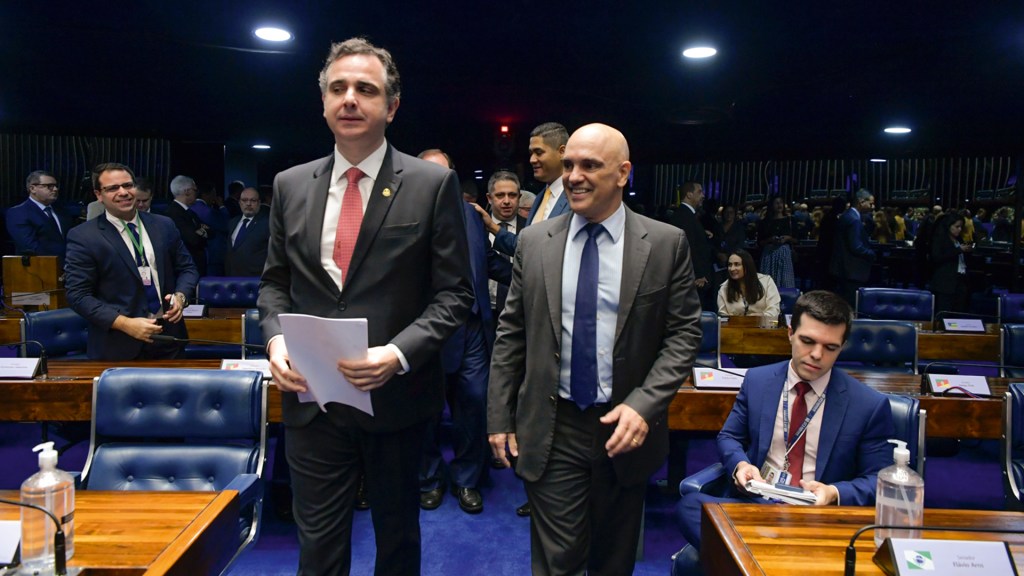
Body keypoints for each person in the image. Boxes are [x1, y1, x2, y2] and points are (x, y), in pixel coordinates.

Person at [257, 38, 474, 576]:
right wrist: (275, 340)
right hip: (311, 398)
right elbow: (274, 284)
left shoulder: (431, 184)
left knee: (397, 539)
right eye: (338, 88)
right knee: (319, 546)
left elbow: (455, 295)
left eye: (366, 90)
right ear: (324, 103)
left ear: (391, 107)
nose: (350, 99)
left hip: (395, 396)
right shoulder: (288, 185)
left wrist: (398, 354)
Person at [488, 123, 702, 575]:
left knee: (613, 560)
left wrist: (644, 406)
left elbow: (683, 335)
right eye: (568, 165)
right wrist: (499, 416)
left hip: (625, 430)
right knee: (558, 560)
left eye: (590, 165)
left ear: (623, 173)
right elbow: (512, 334)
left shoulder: (664, 244)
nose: (573, 176)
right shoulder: (534, 242)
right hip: (553, 425)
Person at [678, 290, 894, 556]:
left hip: (818, 515)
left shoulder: (868, 405)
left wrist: (833, 492)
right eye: (807, 341)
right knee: (690, 506)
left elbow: (879, 481)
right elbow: (729, 437)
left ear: (843, 346)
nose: (816, 354)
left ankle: (752, 558)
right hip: (758, 503)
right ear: (790, 332)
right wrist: (741, 465)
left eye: (830, 347)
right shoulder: (758, 381)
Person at [417, 149, 510, 515]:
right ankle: (429, 478)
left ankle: (467, 480)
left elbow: (485, 262)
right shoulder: (403, 214)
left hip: (471, 326)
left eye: (444, 174)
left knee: (474, 405)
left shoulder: (472, 215)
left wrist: (529, 274)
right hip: (425, 331)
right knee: (424, 411)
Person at [64, 162, 198, 360]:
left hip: (169, 339)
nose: (123, 192)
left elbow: (187, 268)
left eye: (128, 185)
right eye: (112, 188)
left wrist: (181, 296)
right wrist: (124, 323)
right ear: (98, 195)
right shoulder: (84, 236)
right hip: (117, 344)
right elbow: (78, 295)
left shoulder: (164, 225)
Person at [489, 122, 570, 257]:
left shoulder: (577, 198)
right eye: (531, 153)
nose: (532, 160)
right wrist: (491, 226)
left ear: (562, 152)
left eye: (539, 152)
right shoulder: (540, 198)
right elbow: (527, 248)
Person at [670, 181, 716, 312]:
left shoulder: (687, 215)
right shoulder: (685, 216)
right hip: (693, 280)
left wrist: (703, 234)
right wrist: (699, 274)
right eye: (699, 191)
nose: (703, 195)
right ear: (689, 195)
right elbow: (688, 247)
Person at [6, 170, 70, 263]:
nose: (55, 189)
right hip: (40, 268)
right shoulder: (18, 213)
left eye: (56, 186)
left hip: (71, 267)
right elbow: (30, 246)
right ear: (33, 189)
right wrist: (62, 262)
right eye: (49, 186)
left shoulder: (62, 211)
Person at [830, 189, 876, 307]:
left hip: (844, 268)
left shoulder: (848, 215)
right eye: (870, 203)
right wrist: (871, 254)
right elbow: (856, 246)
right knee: (850, 305)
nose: (873, 207)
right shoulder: (854, 219)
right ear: (861, 202)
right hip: (852, 270)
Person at [164, 175, 210, 276]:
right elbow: (193, 239)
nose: (197, 193)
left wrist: (198, 231)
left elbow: (210, 231)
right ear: (187, 191)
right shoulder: (173, 213)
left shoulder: (190, 212)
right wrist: (200, 231)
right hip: (187, 268)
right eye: (195, 190)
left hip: (196, 266)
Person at [717, 249, 781, 320]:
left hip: (763, 327)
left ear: (747, 266)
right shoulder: (724, 288)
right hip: (735, 329)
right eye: (730, 265)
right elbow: (723, 317)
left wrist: (761, 316)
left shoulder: (766, 282)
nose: (732, 269)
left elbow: (774, 311)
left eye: (737, 264)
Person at [930, 212, 972, 316]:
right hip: (945, 282)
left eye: (961, 227)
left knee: (958, 312)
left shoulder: (958, 239)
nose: (959, 229)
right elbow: (936, 258)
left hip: (960, 280)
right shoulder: (939, 239)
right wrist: (958, 250)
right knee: (944, 312)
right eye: (957, 226)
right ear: (949, 225)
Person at [225, 187, 270, 277]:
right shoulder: (232, 222)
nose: (248, 204)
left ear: (259, 203)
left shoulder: (267, 224)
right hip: (231, 279)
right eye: (244, 200)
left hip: (256, 280)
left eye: (253, 200)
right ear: (239, 202)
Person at [757, 195, 796, 289]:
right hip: (769, 255)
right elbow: (759, 242)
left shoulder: (790, 220)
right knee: (768, 284)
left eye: (781, 202)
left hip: (784, 254)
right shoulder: (765, 222)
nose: (779, 205)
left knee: (785, 283)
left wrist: (787, 238)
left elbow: (796, 239)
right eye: (776, 203)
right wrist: (770, 240)